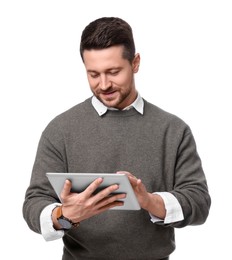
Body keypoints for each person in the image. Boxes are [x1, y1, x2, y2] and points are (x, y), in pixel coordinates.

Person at [23, 17, 211, 260]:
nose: (103, 84)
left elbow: (199, 203)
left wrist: (149, 201)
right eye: (93, 74)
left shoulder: (173, 129)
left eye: (113, 72)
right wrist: (65, 215)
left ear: (135, 63)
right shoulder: (60, 129)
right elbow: (33, 204)